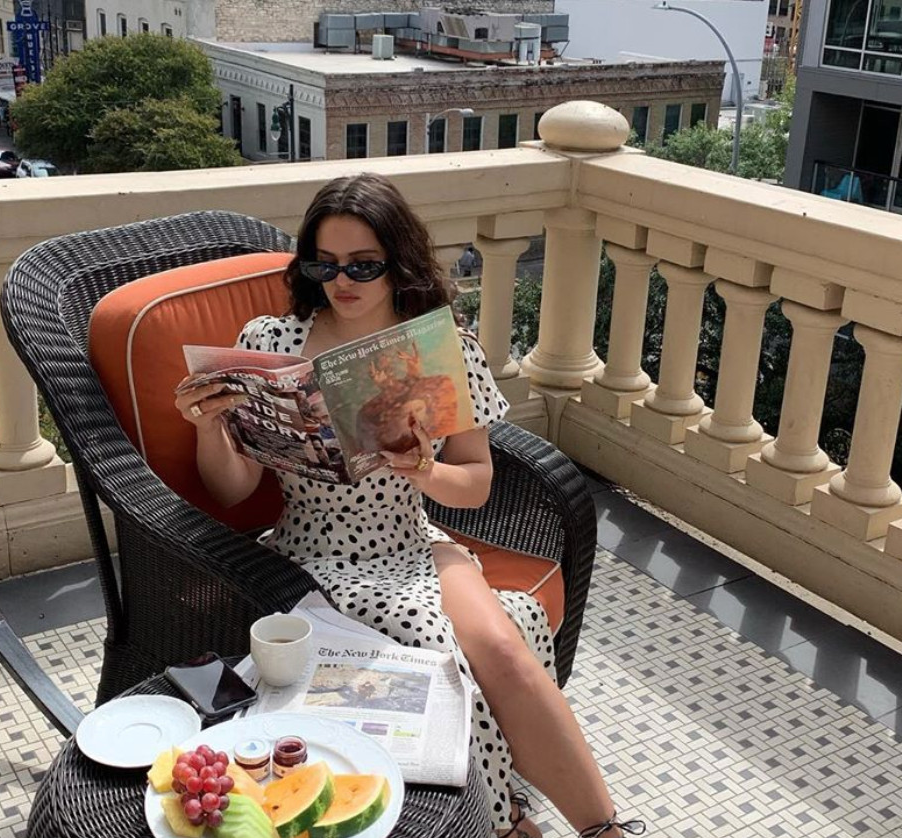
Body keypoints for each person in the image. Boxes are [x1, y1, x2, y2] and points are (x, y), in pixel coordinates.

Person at [175, 173, 644, 838]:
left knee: (507, 644)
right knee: (439, 649)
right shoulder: (271, 342)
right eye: (325, 264)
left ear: (399, 263)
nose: (344, 280)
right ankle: (499, 820)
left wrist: (425, 470)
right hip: (315, 555)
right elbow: (231, 490)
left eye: (364, 264)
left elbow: (476, 482)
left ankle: (605, 831)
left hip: (414, 538)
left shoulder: (437, 347)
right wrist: (208, 426)